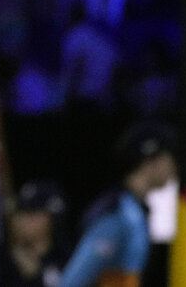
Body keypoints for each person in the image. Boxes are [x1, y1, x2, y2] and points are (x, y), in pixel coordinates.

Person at [59, 122, 178, 287]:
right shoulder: (117, 214)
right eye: (169, 158)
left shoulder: (137, 211)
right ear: (150, 162)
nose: (173, 167)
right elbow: (71, 282)